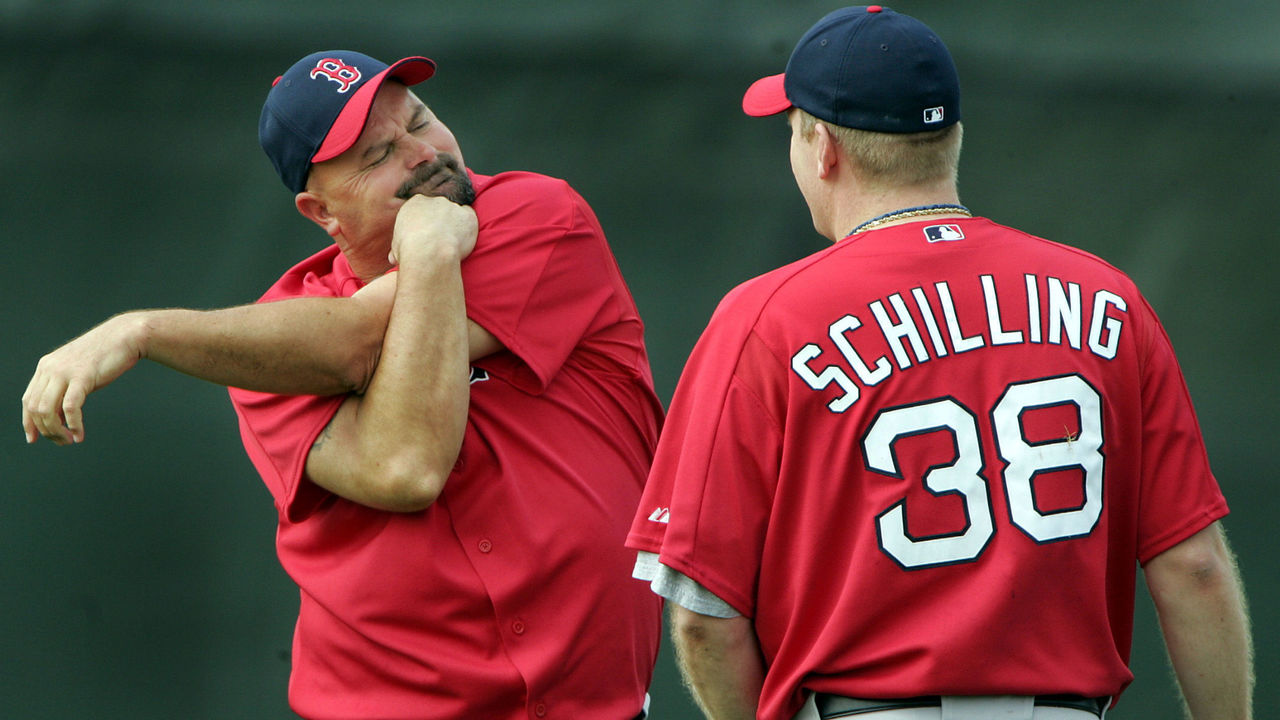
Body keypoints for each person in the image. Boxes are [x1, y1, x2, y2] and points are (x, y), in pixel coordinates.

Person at [626, 7, 1253, 720]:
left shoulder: (766, 320)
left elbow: (703, 618)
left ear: (823, 148)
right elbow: (1195, 570)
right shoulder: (1107, 302)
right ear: (951, 138)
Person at [23, 50, 662, 720]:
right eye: (378, 152)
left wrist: (146, 332)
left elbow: (360, 342)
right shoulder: (262, 347)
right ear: (321, 211)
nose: (423, 153)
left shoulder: (532, 214)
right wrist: (429, 254)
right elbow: (402, 467)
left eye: (421, 119)